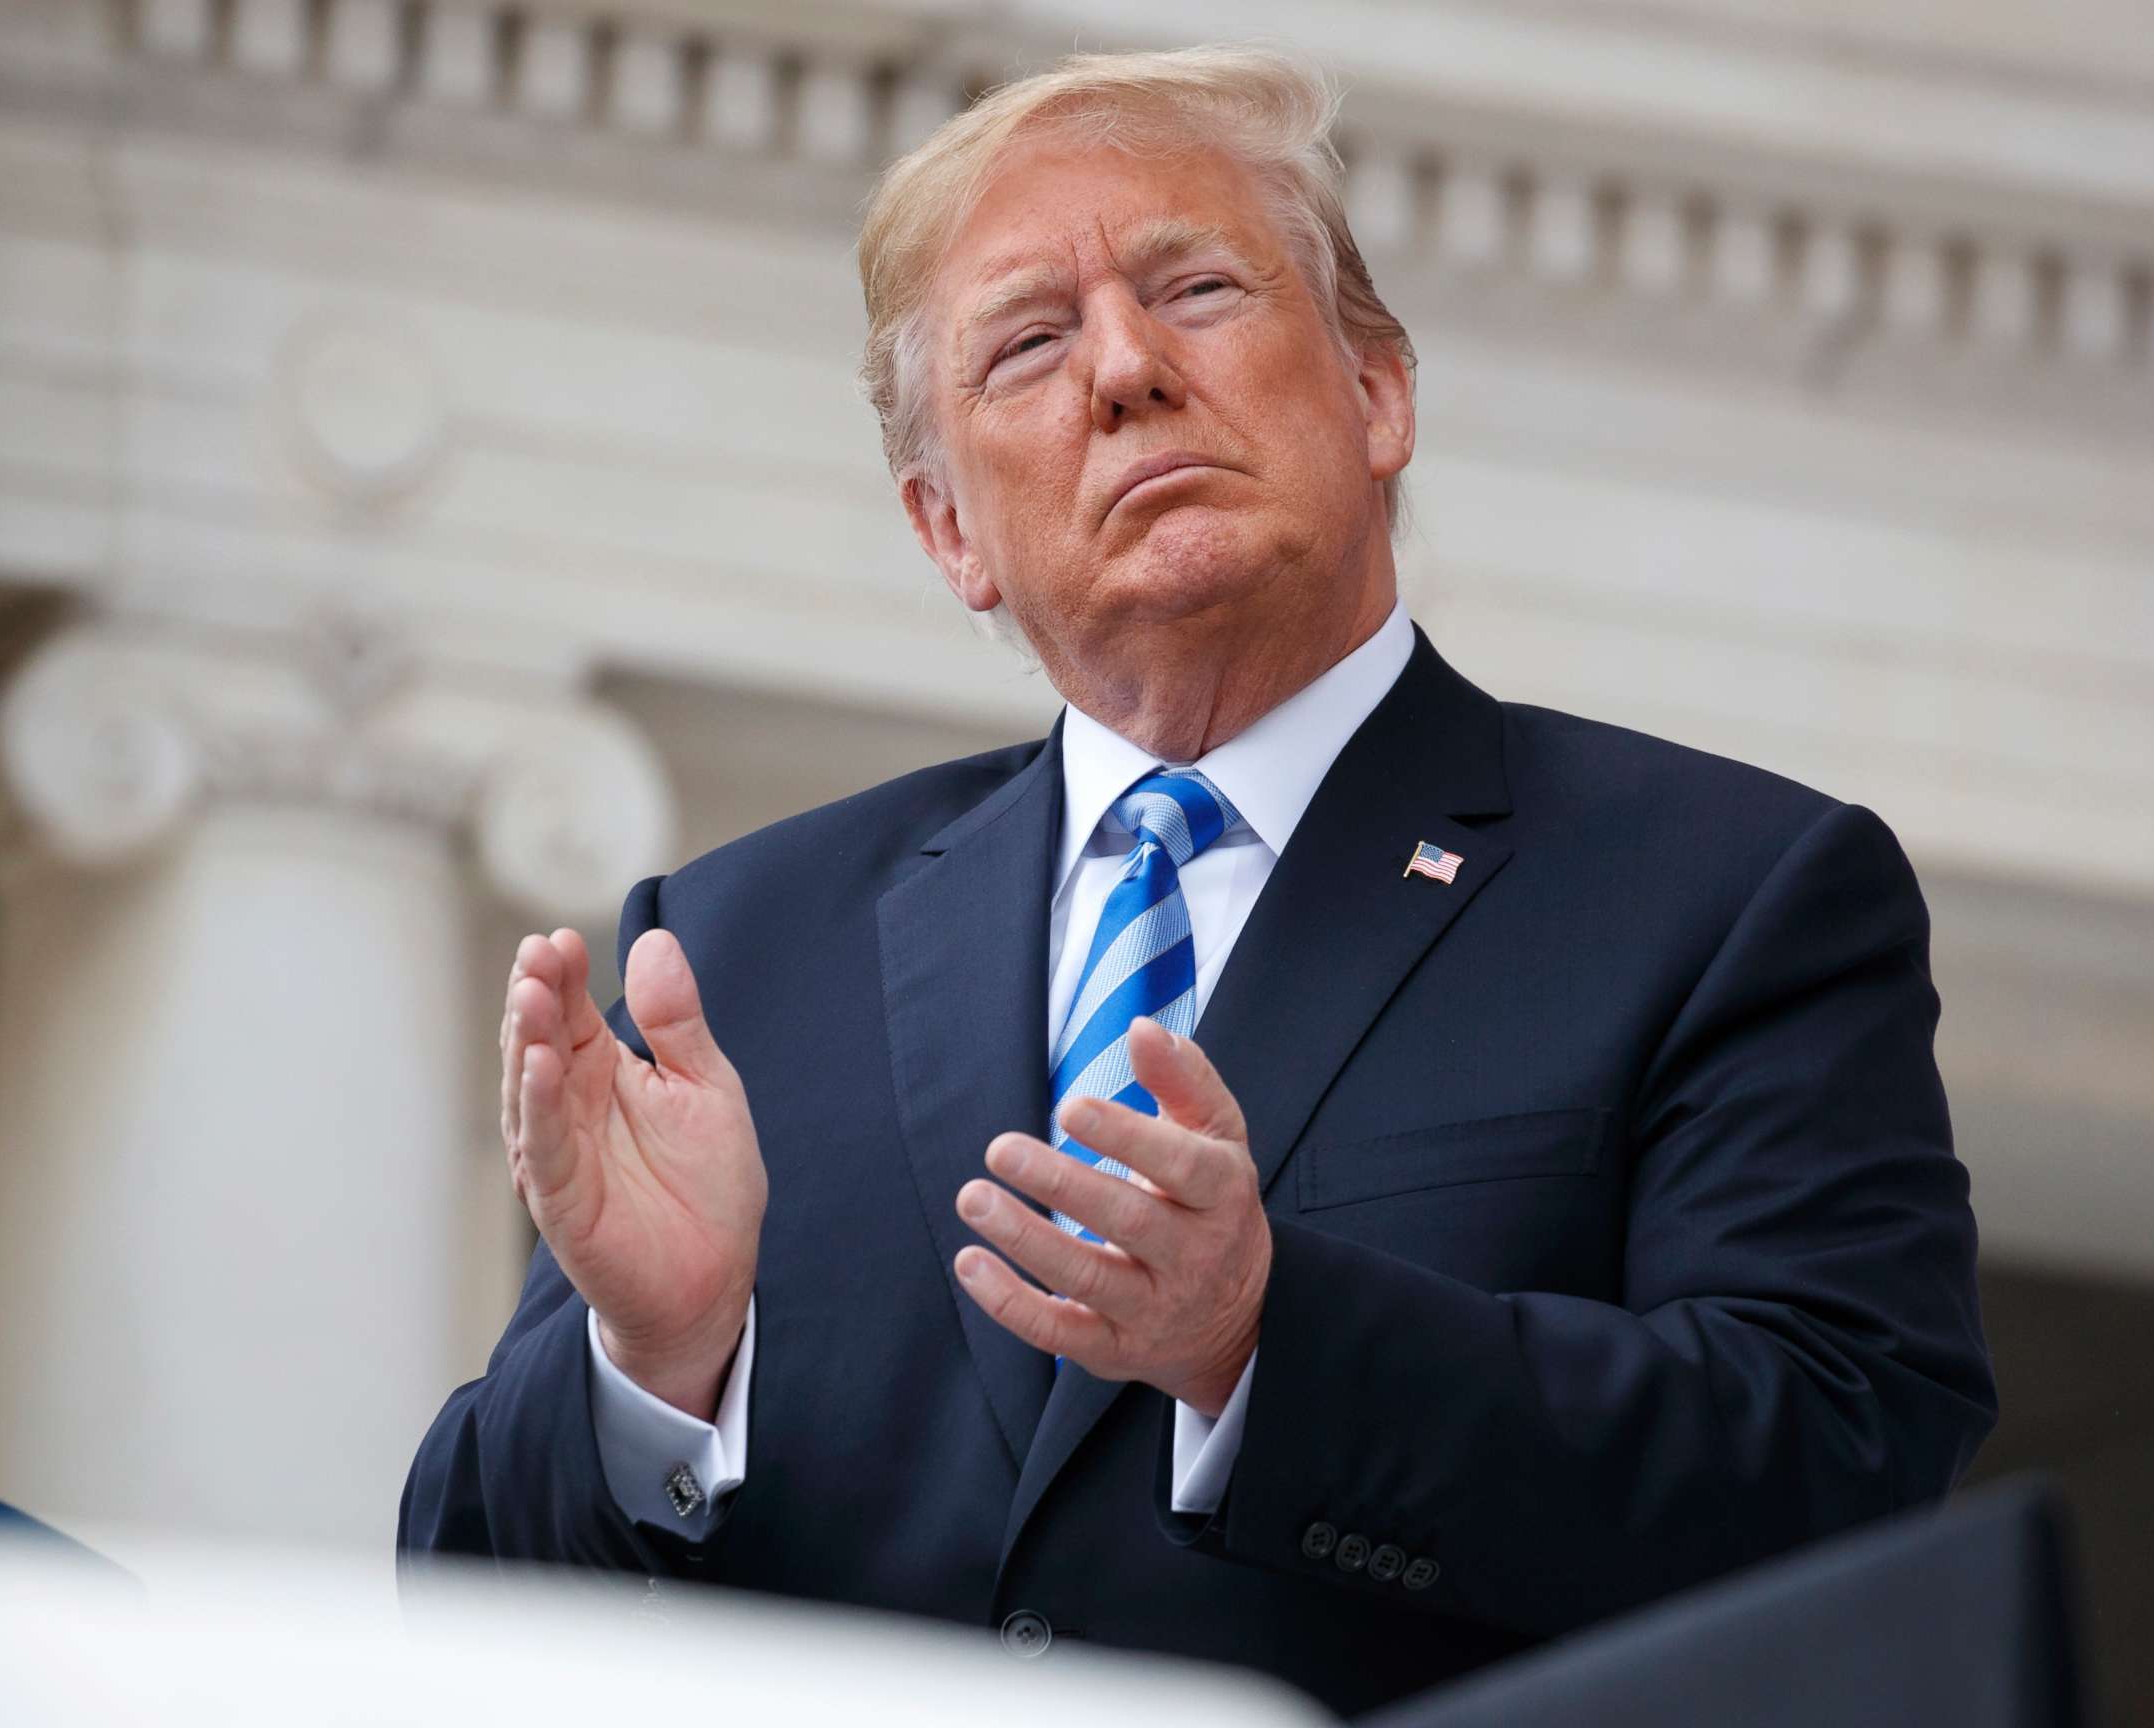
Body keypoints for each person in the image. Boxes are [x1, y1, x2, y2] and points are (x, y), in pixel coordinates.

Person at [399, 44, 1996, 1717]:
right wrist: (651, 1373)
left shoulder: (1731, 894)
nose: (1124, 370)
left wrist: (1266, 1340)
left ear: (1377, 392)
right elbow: (459, 1629)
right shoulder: (727, 956)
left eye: (1198, 288)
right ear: (950, 531)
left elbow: (1843, 1475)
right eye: (1028, 342)